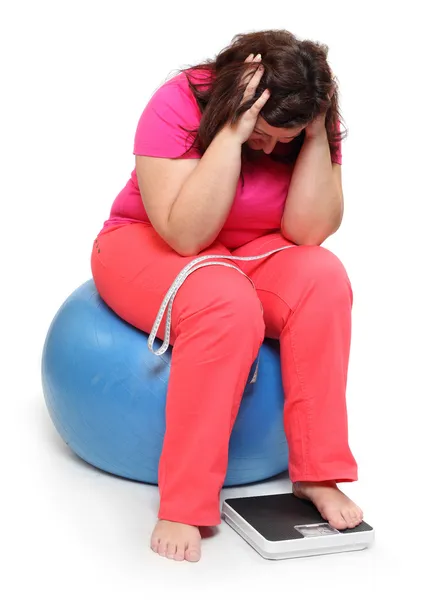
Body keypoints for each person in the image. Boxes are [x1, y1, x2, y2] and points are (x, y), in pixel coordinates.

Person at [91, 29, 364, 563]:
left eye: (282, 141)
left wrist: (312, 138)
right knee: (227, 305)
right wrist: (234, 133)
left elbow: (308, 232)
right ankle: (185, 502)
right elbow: (185, 234)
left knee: (324, 277)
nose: (270, 149)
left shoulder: (308, 117)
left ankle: (317, 474)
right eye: (264, 134)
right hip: (149, 242)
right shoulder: (179, 100)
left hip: (252, 252)